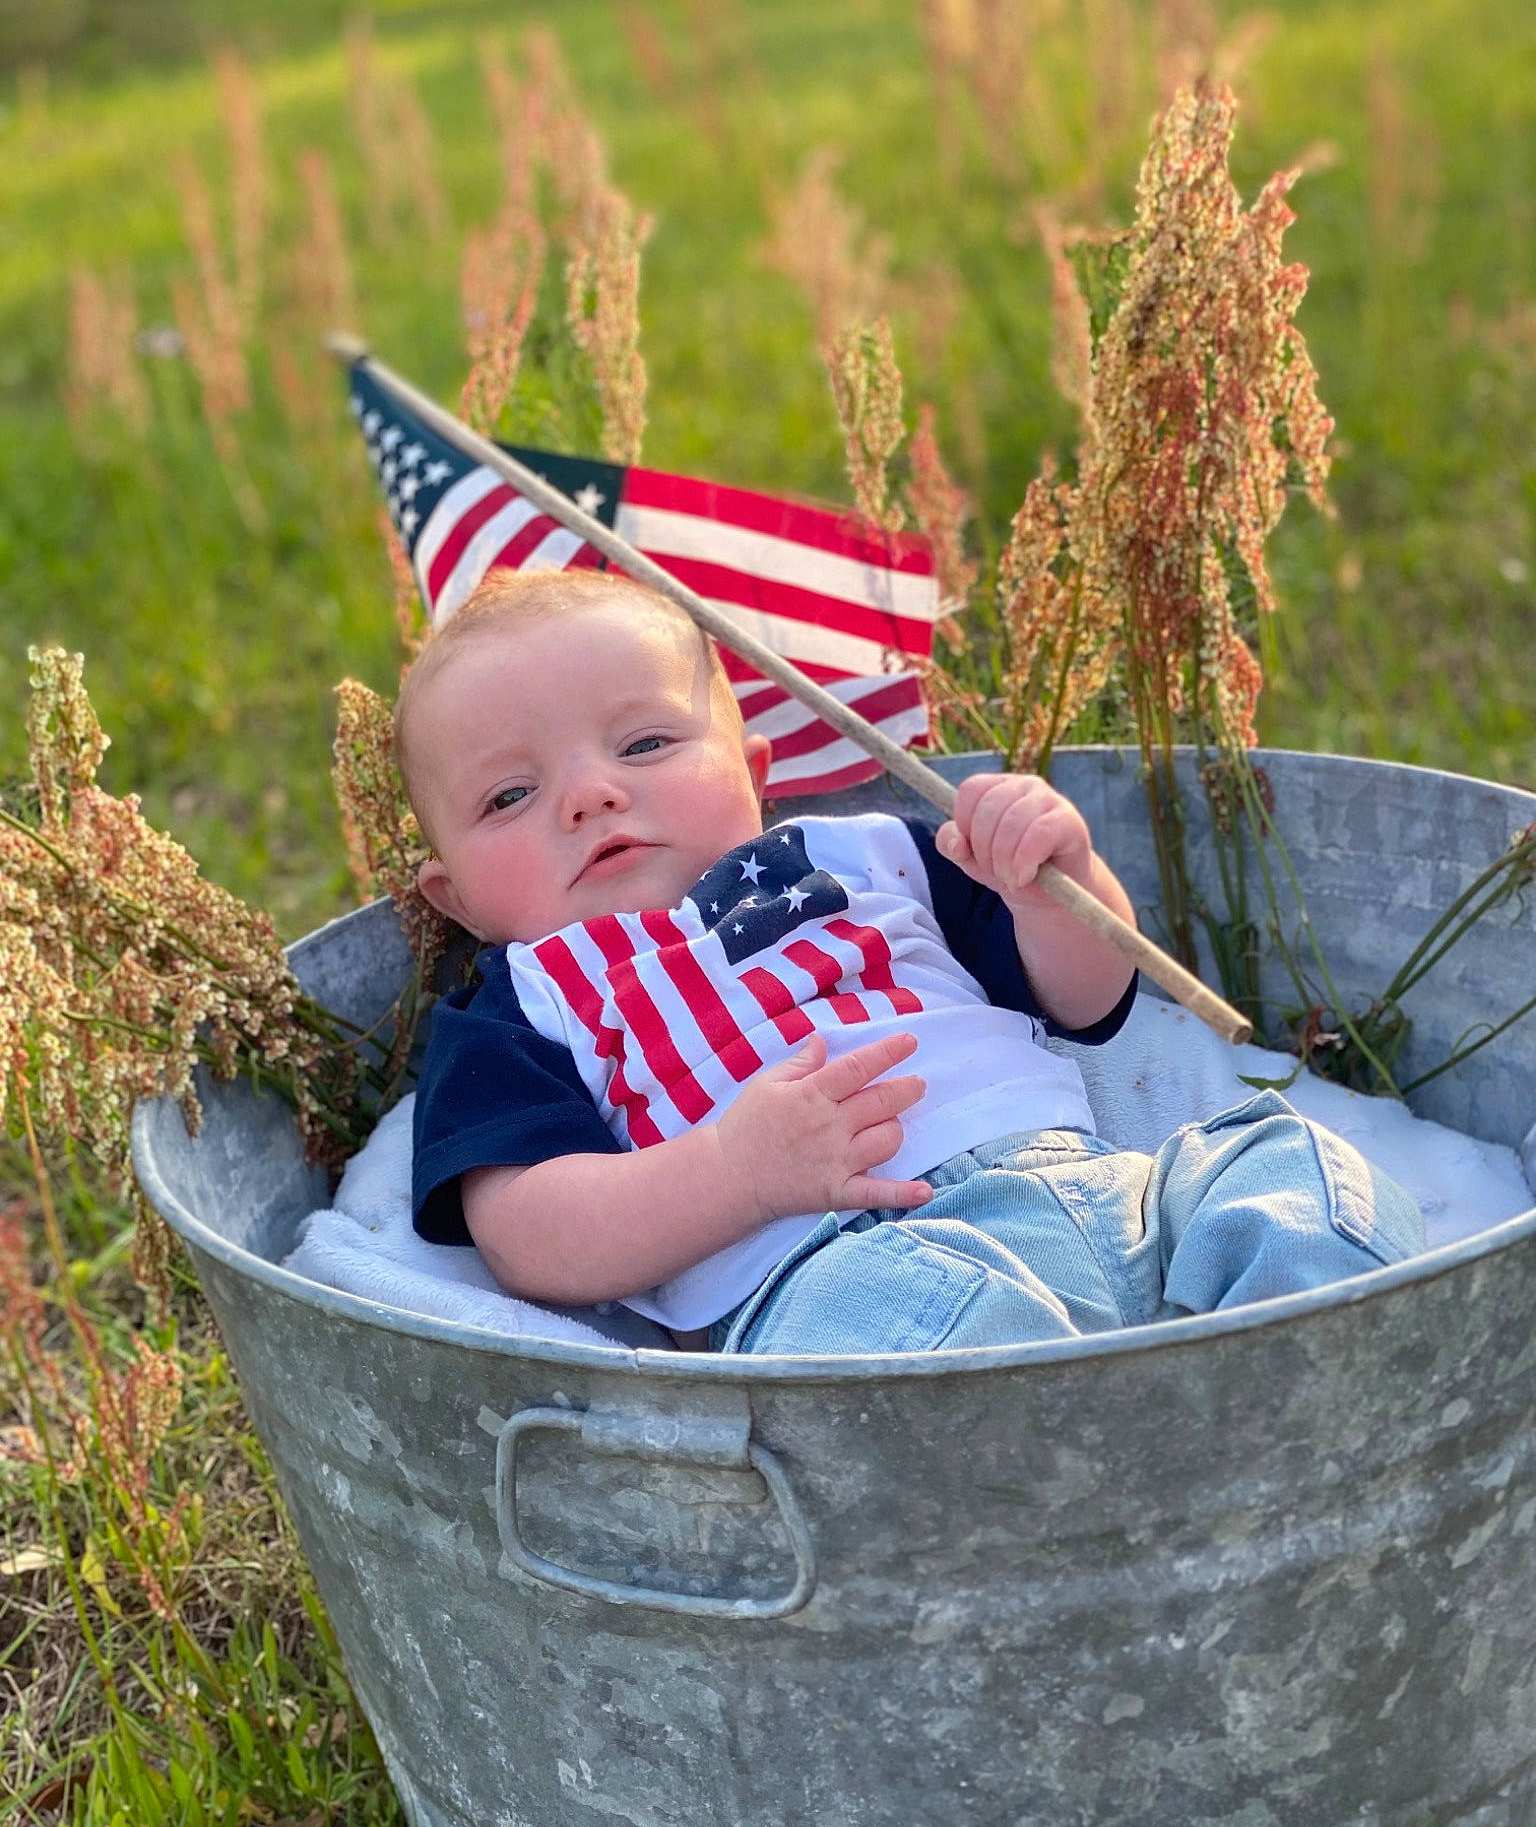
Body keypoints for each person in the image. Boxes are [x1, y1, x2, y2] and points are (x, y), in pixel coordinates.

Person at [400, 567, 1424, 1355]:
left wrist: (1052, 879)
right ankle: (1118, 1448)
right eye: (509, 797)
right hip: (851, 1264)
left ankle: (1310, 1369)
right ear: (454, 895)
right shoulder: (523, 1002)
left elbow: (1090, 998)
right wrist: (733, 1173)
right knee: (902, 1371)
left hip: (1107, 1192)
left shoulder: (876, 852)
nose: (590, 795)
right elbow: (529, 1233)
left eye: (646, 744)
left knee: (1289, 1173)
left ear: (755, 775)